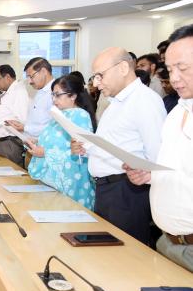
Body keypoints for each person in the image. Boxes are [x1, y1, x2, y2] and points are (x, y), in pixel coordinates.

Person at [71, 47, 166, 247]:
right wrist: (87, 148)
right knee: (108, 253)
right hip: (108, 190)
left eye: (100, 75)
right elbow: (114, 144)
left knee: (128, 256)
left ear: (123, 68)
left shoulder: (145, 101)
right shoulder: (115, 102)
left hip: (127, 191)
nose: (96, 83)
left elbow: (158, 156)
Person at [125, 24, 193, 272]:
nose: (174, 78)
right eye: (170, 69)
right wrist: (149, 176)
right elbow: (178, 170)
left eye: (182, 68)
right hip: (168, 243)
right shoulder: (177, 112)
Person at [27, 75, 96, 209]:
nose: (54, 100)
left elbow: (81, 151)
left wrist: (45, 153)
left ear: (73, 96)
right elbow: (56, 142)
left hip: (72, 181)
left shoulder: (80, 115)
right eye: (52, 95)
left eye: (58, 95)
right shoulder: (58, 116)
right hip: (52, 180)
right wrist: (37, 141)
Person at [0, 64, 30, 168]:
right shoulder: (7, 93)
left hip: (10, 143)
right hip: (2, 142)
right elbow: (4, 115)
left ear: (8, 77)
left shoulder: (19, 92)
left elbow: (21, 120)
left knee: (10, 178)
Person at [7, 57, 53, 139]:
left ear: (44, 71)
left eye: (31, 76)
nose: (29, 81)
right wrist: (22, 125)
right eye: (27, 77)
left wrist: (25, 128)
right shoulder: (40, 91)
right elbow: (38, 121)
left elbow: (53, 128)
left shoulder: (55, 93)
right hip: (34, 145)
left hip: (46, 147)